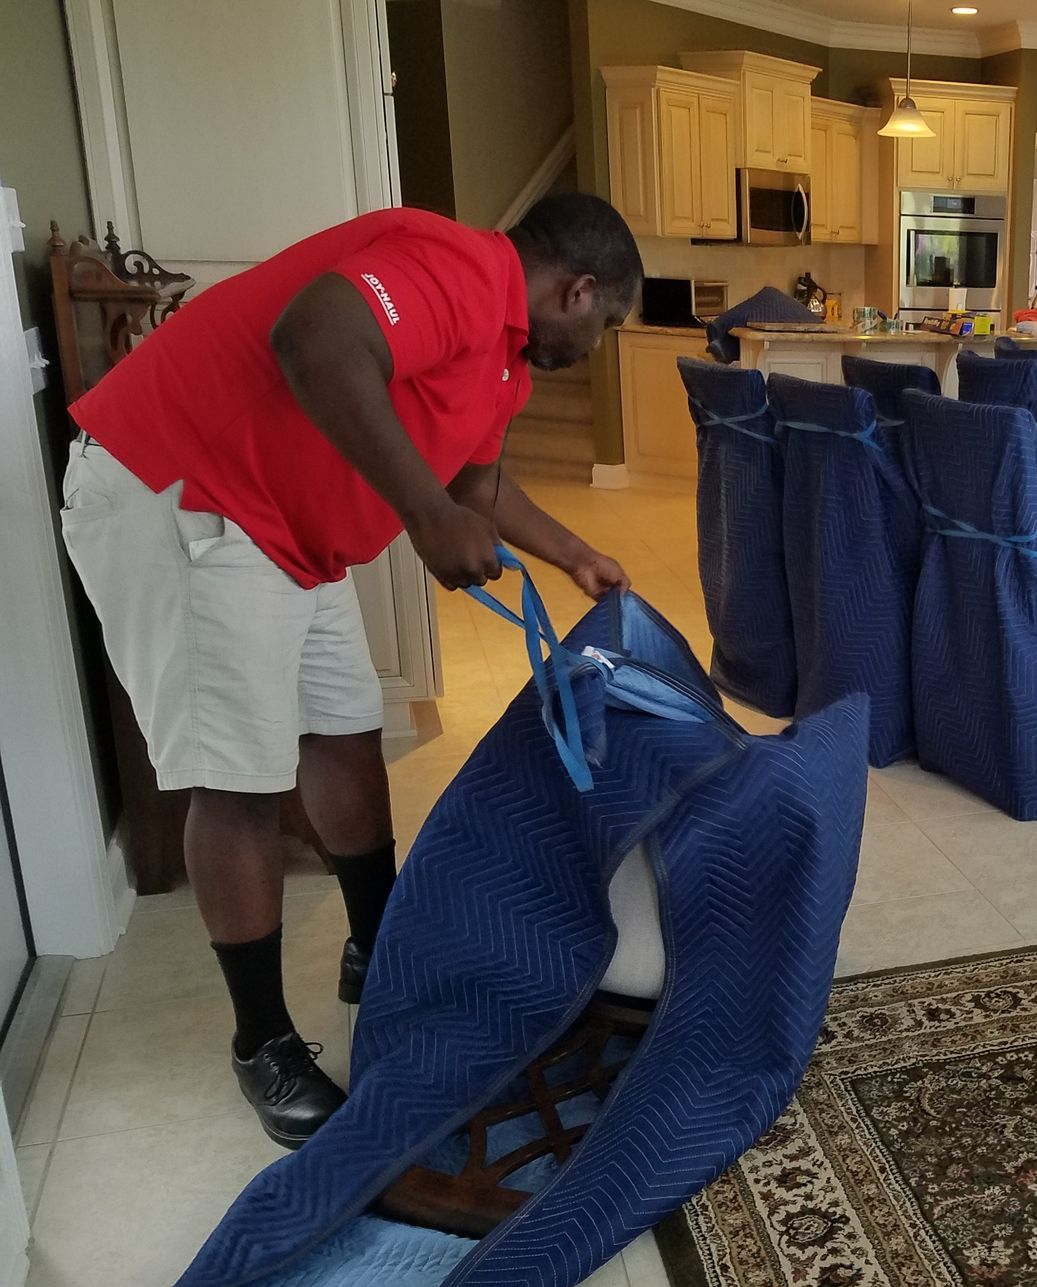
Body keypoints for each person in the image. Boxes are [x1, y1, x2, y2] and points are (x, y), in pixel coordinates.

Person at [60, 194, 642, 1148]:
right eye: (606, 324)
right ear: (577, 289)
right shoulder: (454, 265)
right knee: (241, 780)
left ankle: (382, 950)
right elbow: (317, 339)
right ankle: (264, 1045)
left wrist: (574, 555)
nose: (598, 344)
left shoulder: (504, 362)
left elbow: (478, 488)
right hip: (189, 497)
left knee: (342, 726)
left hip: (290, 532)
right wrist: (421, 516)